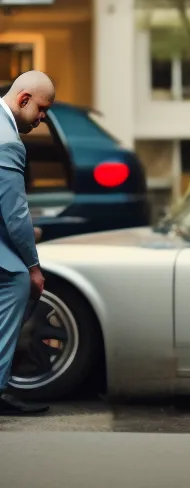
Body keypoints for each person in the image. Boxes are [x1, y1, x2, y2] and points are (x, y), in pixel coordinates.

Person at [0, 71, 55, 415]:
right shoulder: (8, 141)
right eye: (42, 109)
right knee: (18, 280)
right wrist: (33, 267)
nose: (43, 118)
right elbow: (15, 213)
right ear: (23, 99)